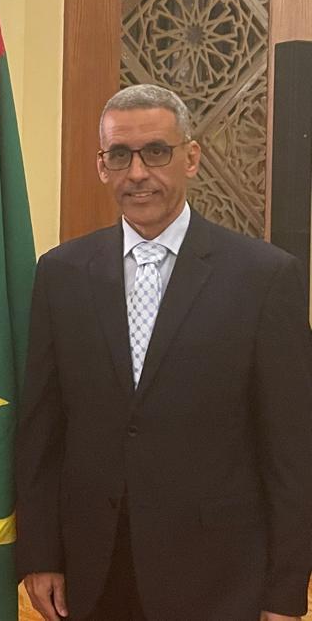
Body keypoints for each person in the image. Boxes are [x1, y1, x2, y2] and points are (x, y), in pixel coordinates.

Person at [16, 84, 312, 621]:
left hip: (219, 578)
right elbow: (42, 430)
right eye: (119, 155)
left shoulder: (264, 278)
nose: (137, 173)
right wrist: (41, 555)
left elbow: (291, 448)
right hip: (94, 571)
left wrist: (286, 592)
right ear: (102, 166)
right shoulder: (61, 273)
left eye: (156, 152)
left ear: (190, 158)